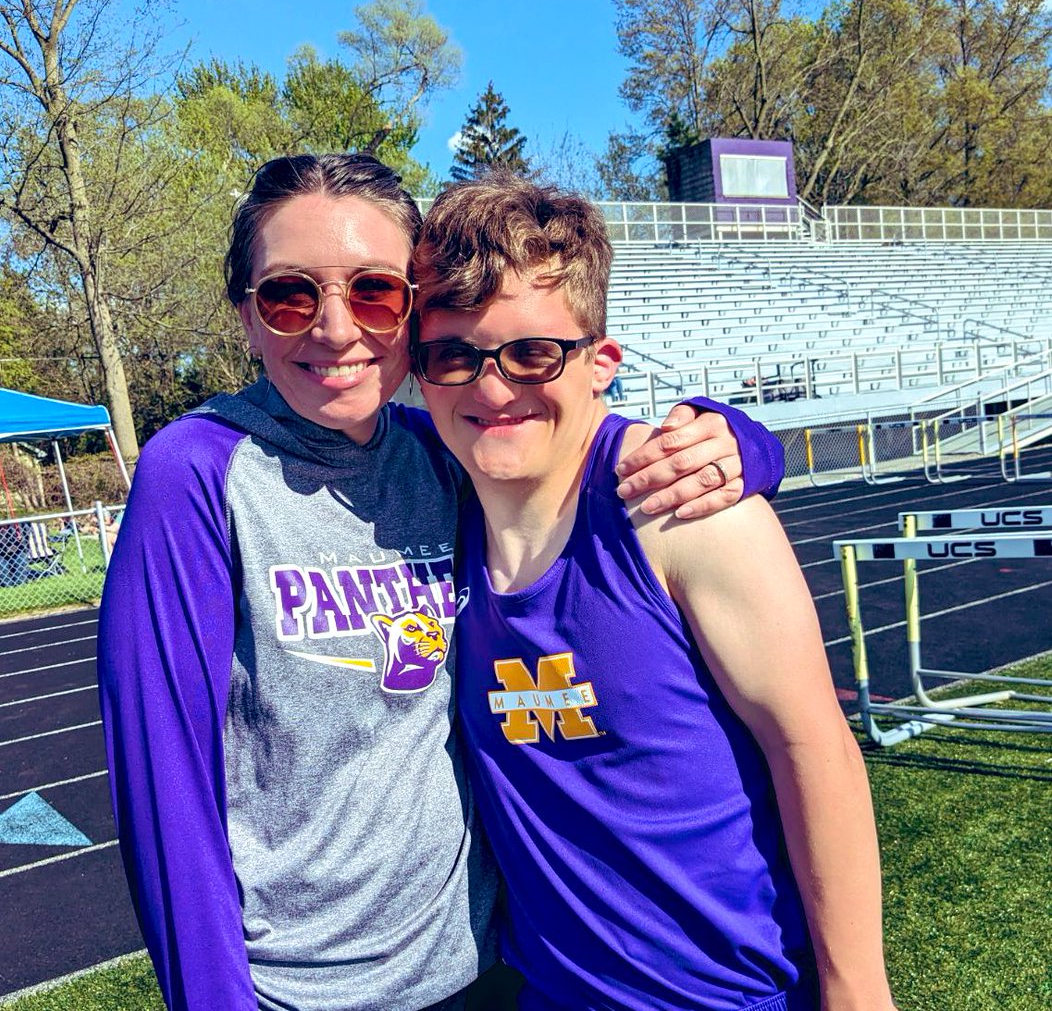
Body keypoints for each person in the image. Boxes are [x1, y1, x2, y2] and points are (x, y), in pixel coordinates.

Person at [97, 154, 785, 1011]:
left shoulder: (444, 455)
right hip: (303, 991)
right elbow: (164, 787)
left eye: (375, 291)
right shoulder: (193, 473)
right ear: (247, 318)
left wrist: (741, 440)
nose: (336, 329)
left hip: (487, 964)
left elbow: (579, 448)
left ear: (413, 311)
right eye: (289, 294)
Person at [410, 174, 898, 1011]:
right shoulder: (433, 509)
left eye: (532, 352)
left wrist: (859, 991)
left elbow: (813, 749)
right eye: (454, 354)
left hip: (729, 995)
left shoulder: (683, 511)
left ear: (601, 364)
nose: (492, 389)